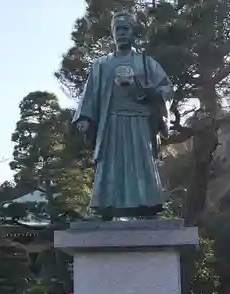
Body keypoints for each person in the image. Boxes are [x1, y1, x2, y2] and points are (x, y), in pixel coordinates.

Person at [73, 10, 173, 220]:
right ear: (112, 33)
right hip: (111, 123)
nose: (121, 33)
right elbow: (90, 93)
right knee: (110, 165)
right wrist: (85, 117)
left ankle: (148, 206)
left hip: (139, 122)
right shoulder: (101, 65)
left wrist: (149, 91)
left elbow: (166, 89)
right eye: (117, 29)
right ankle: (104, 207)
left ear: (133, 31)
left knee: (142, 164)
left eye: (126, 28)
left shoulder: (146, 62)